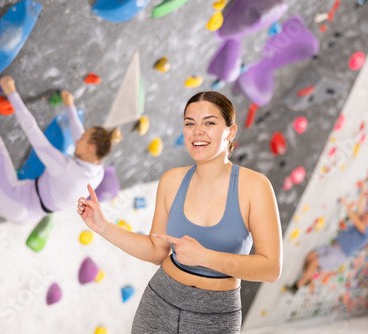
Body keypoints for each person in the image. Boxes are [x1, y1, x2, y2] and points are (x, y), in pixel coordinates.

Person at [77, 91, 282, 333]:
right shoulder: (171, 181)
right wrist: (103, 226)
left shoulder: (255, 186)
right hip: (160, 302)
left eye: (209, 122)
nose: (197, 131)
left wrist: (205, 257)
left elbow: (270, 269)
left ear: (231, 131)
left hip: (216, 315)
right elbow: (156, 250)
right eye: (189, 123)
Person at [0, 76, 117, 261]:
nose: (80, 136)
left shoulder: (64, 167)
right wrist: (69, 105)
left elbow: (32, 131)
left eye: (84, 137)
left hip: (14, 197)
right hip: (26, 214)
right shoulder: (97, 170)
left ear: (90, 147)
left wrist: (12, 93)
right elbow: (79, 137)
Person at [287, 184, 368, 294]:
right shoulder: (362, 222)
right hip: (333, 246)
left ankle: (296, 286)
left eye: (367, 215)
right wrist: (363, 190)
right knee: (310, 257)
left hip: (340, 254)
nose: (364, 215)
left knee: (314, 262)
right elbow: (360, 208)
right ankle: (307, 279)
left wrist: (345, 203)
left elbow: (354, 218)